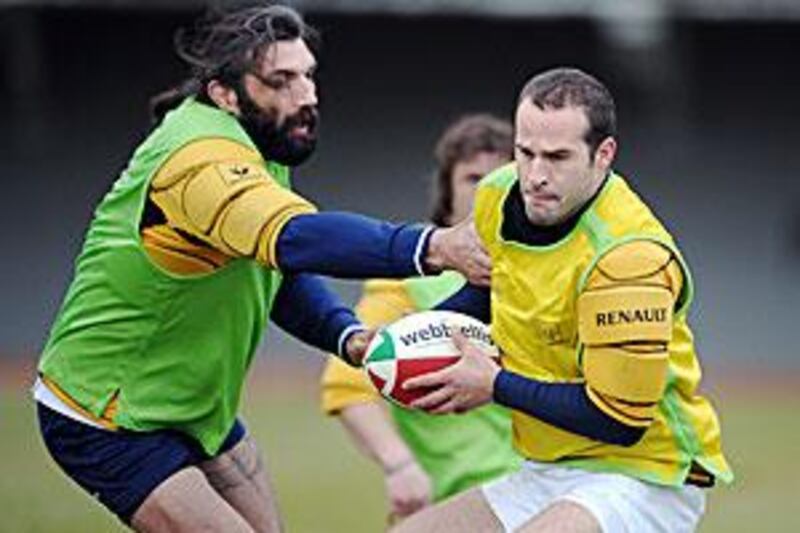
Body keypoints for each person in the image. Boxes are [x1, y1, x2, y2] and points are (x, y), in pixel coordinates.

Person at [32, 5, 488, 533]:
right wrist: (435, 245)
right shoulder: (200, 159)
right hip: (106, 414)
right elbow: (294, 239)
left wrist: (347, 337)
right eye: (282, 81)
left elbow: (275, 271)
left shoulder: (257, 144)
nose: (308, 96)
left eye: (309, 75)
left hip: (195, 408)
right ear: (225, 93)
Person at [392, 67, 733, 533]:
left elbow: (619, 420)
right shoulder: (496, 196)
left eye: (556, 157)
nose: (534, 175)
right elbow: (492, 287)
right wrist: (414, 337)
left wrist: (495, 385)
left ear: (603, 155)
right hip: (548, 468)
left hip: (646, 473)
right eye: (525, 152)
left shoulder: (628, 258)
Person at [320, 114, 521, 523]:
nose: (490, 190)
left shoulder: (546, 266)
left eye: (503, 177)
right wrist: (400, 466)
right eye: (473, 178)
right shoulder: (406, 283)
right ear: (445, 189)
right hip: (465, 495)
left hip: (550, 483)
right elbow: (347, 386)